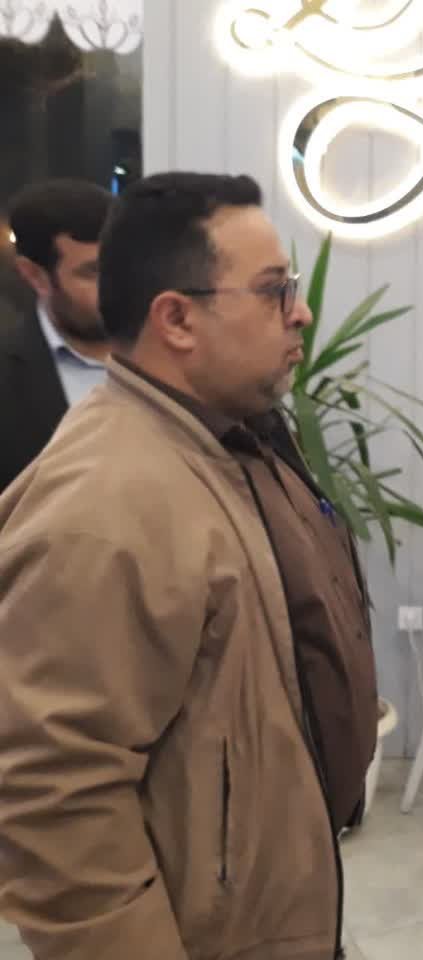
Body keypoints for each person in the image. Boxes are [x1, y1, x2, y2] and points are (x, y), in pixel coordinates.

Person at [0, 172, 379, 960]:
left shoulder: (234, 435)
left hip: (281, 908)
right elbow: (52, 800)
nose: (301, 311)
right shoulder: (103, 506)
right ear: (175, 319)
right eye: (274, 290)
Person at [0, 178, 113, 491]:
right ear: (34, 275)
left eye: (123, 265)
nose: (118, 286)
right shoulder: (7, 377)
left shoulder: (181, 356)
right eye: (93, 272)